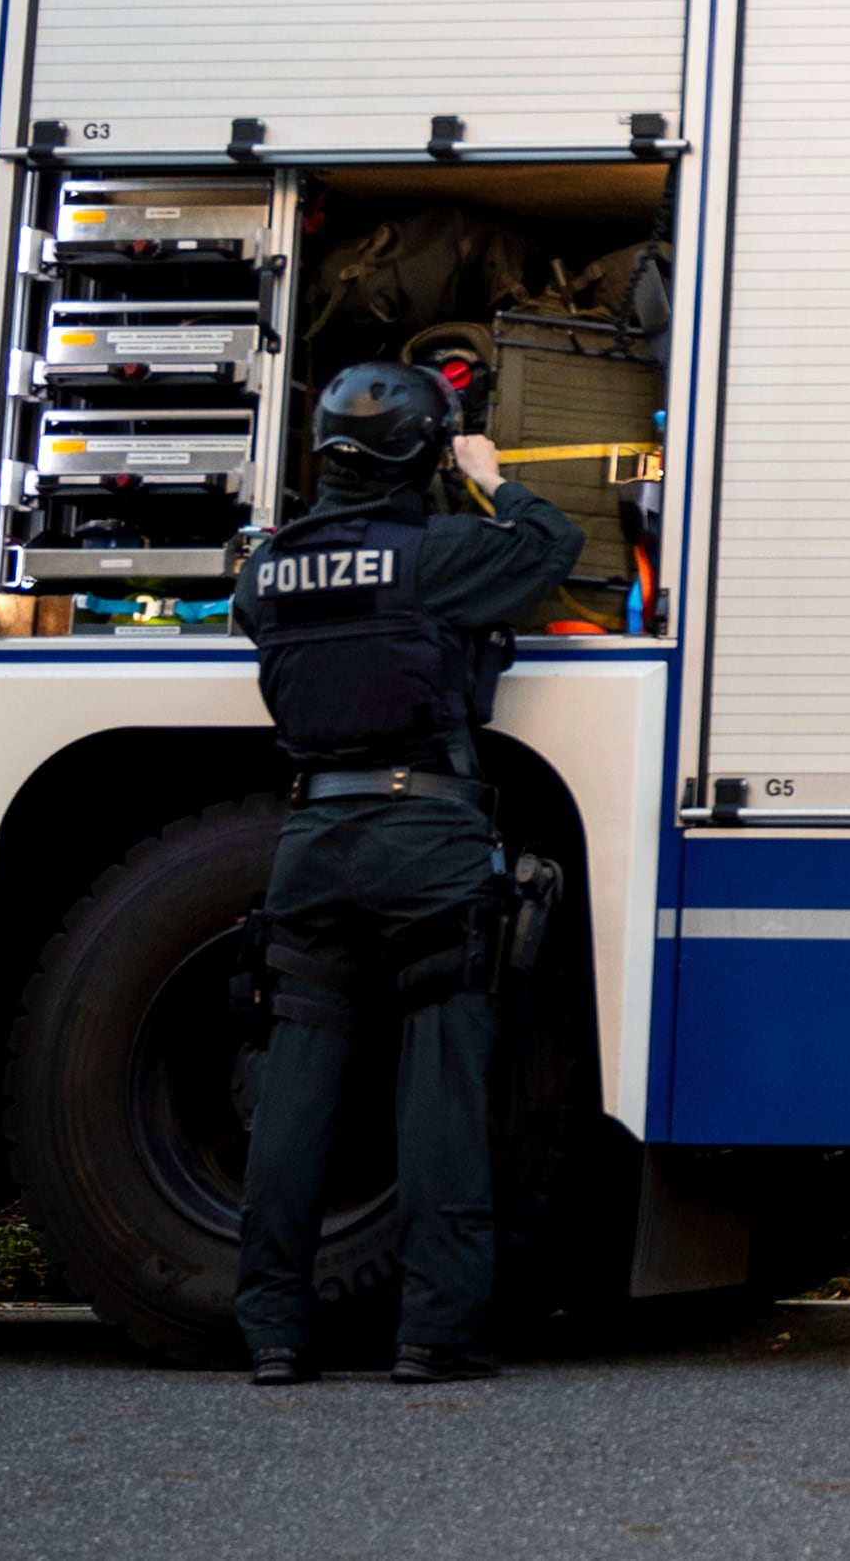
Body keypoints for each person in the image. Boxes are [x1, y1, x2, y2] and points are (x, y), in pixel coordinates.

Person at [228, 360, 582, 1386]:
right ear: (426, 451)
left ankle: (274, 1334)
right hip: (425, 836)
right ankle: (435, 1333)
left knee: (294, 1093)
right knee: (441, 1090)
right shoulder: (441, 554)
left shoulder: (269, 568)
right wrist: (491, 476)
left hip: (312, 838)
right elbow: (553, 545)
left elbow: (269, 624)